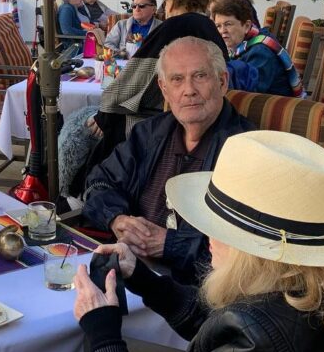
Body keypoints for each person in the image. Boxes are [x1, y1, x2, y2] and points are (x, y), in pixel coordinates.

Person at [74, 130, 324, 352]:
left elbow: (246, 339)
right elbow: (223, 326)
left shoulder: (258, 345)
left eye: (219, 228)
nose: (208, 236)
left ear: (255, 251)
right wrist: (144, 279)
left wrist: (104, 340)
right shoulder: (308, 292)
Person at [84, 37, 254, 281]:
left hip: (197, 292)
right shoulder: (149, 133)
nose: (189, 90)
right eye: (177, 79)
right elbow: (99, 182)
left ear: (222, 81)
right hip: (130, 269)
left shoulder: (245, 150)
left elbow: (245, 249)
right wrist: (117, 219)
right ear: (164, 89)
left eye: (200, 76)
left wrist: (169, 244)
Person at [82, 0, 233, 180]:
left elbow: (134, 80)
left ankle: (79, 193)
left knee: (82, 130)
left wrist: (105, 113)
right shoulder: (209, 27)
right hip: (206, 120)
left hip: (158, 121)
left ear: (171, 0)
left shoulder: (173, 26)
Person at [211, 0, 304, 97]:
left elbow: (247, 95)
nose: (223, 31)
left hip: (274, 109)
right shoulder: (240, 45)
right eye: (218, 26)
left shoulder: (261, 53)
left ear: (246, 26)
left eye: (228, 24)